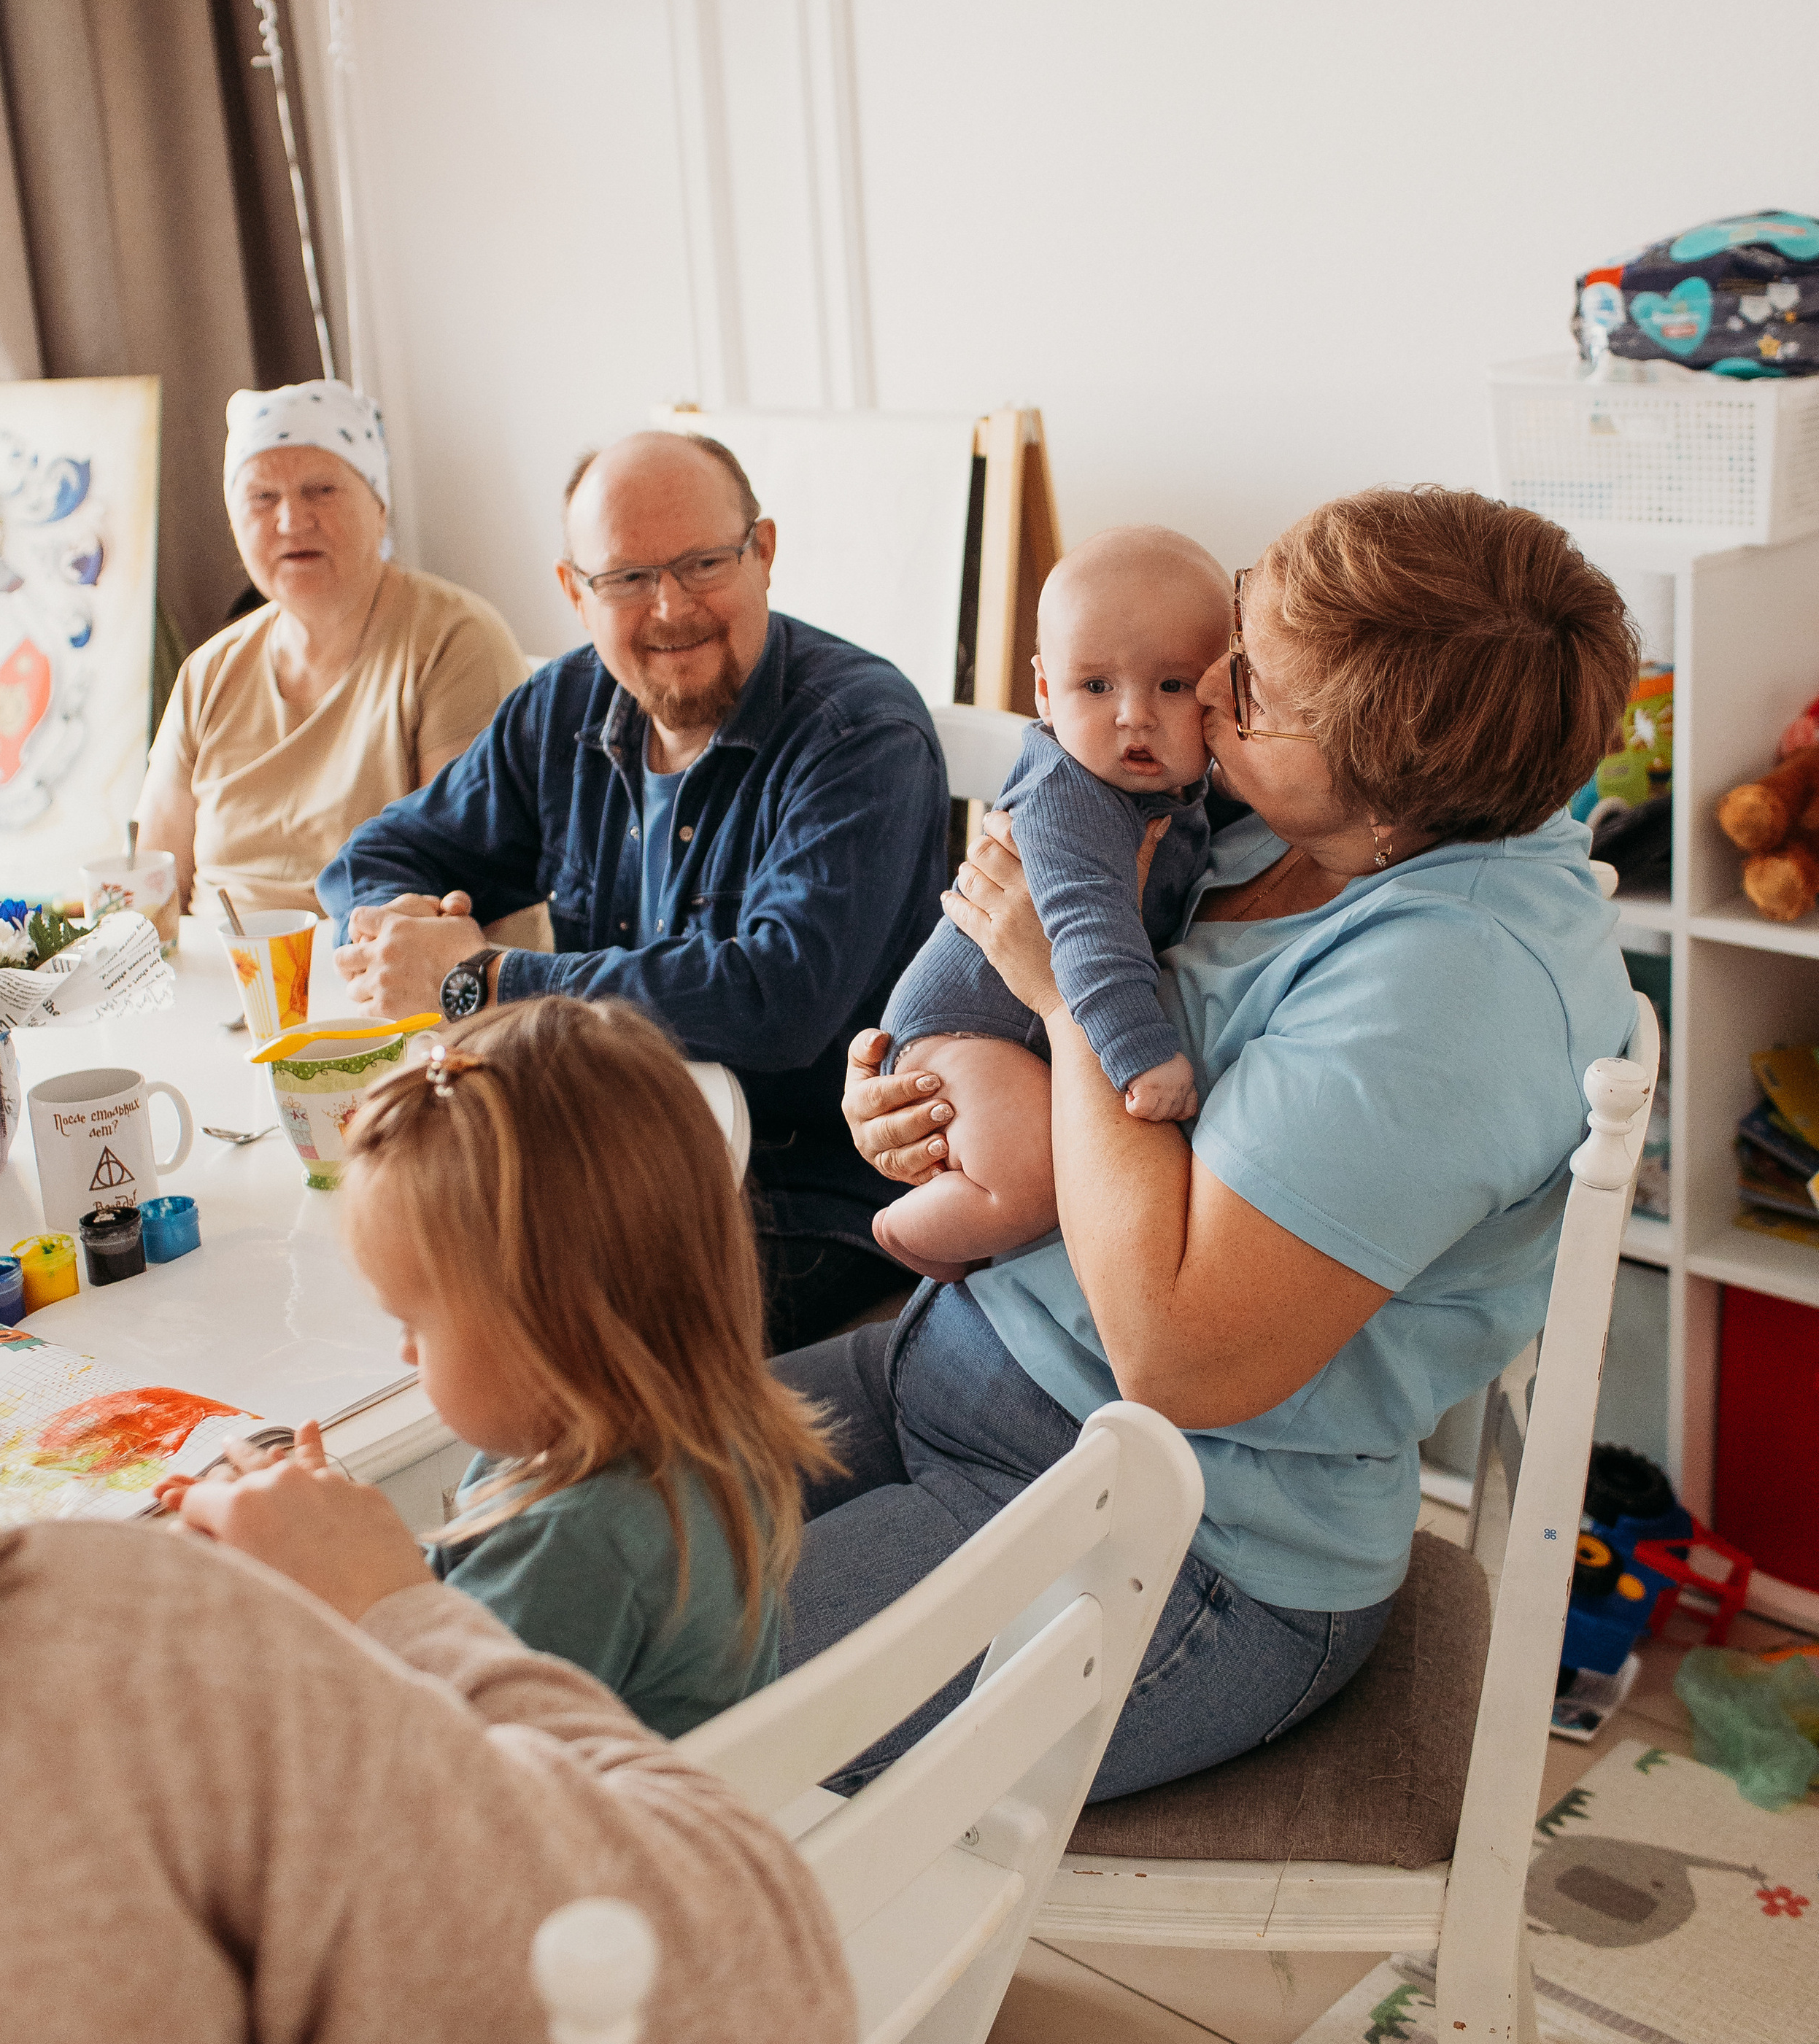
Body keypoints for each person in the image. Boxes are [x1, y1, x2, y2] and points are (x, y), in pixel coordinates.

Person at [789, 487, 1641, 1802]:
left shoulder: (1452, 989)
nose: (1206, 690)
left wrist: (1063, 1001)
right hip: (962, 1357)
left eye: (1250, 690)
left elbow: (1177, 1354)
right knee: (555, 1514)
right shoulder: (1262, 814)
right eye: (1241, 632)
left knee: (646, 1684)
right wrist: (923, 1091)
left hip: (1181, 1532)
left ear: (1384, 792)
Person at [0, 1215, 856, 2044]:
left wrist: (355, 1599)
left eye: (414, 1323)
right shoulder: (665, 1447)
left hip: (543, 1986)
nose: (400, 1355)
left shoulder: (569, 1532)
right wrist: (363, 1596)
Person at [318, 430, 949, 1352]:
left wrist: (481, 980)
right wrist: (401, 932)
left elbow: (777, 1000)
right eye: (626, 578)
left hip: (803, 1190)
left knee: (513, 1330)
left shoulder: (859, 732)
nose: (670, 607)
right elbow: (378, 855)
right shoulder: (565, 704)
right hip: (602, 1157)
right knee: (373, 1261)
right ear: (575, 592)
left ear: (763, 553)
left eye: (704, 564)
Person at [325, 994, 835, 1734]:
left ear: (547, 1329)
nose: (403, 1353)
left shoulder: (571, 1547)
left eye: (414, 1325)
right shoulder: (702, 1430)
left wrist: (336, 1605)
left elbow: (429, 1759)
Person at [875, 527, 1231, 1277]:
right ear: (1044, 691)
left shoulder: (1178, 785)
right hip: (968, 1030)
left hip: (1023, 1027)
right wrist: (1142, 1056)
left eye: (1172, 686)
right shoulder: (1068, 799)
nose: (1134, 715)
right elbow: (1090, 937)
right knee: (1031, 1180)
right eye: (1096, 687)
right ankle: (903, 1236)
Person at [138, 382, 538, 926]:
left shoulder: (456, 641)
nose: (291, 521)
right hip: (218, 966)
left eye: (321, 490)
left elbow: (462, 885)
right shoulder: (209, 672)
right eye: (262, 498)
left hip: (374, 962)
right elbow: (152, 887)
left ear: (379, 507)